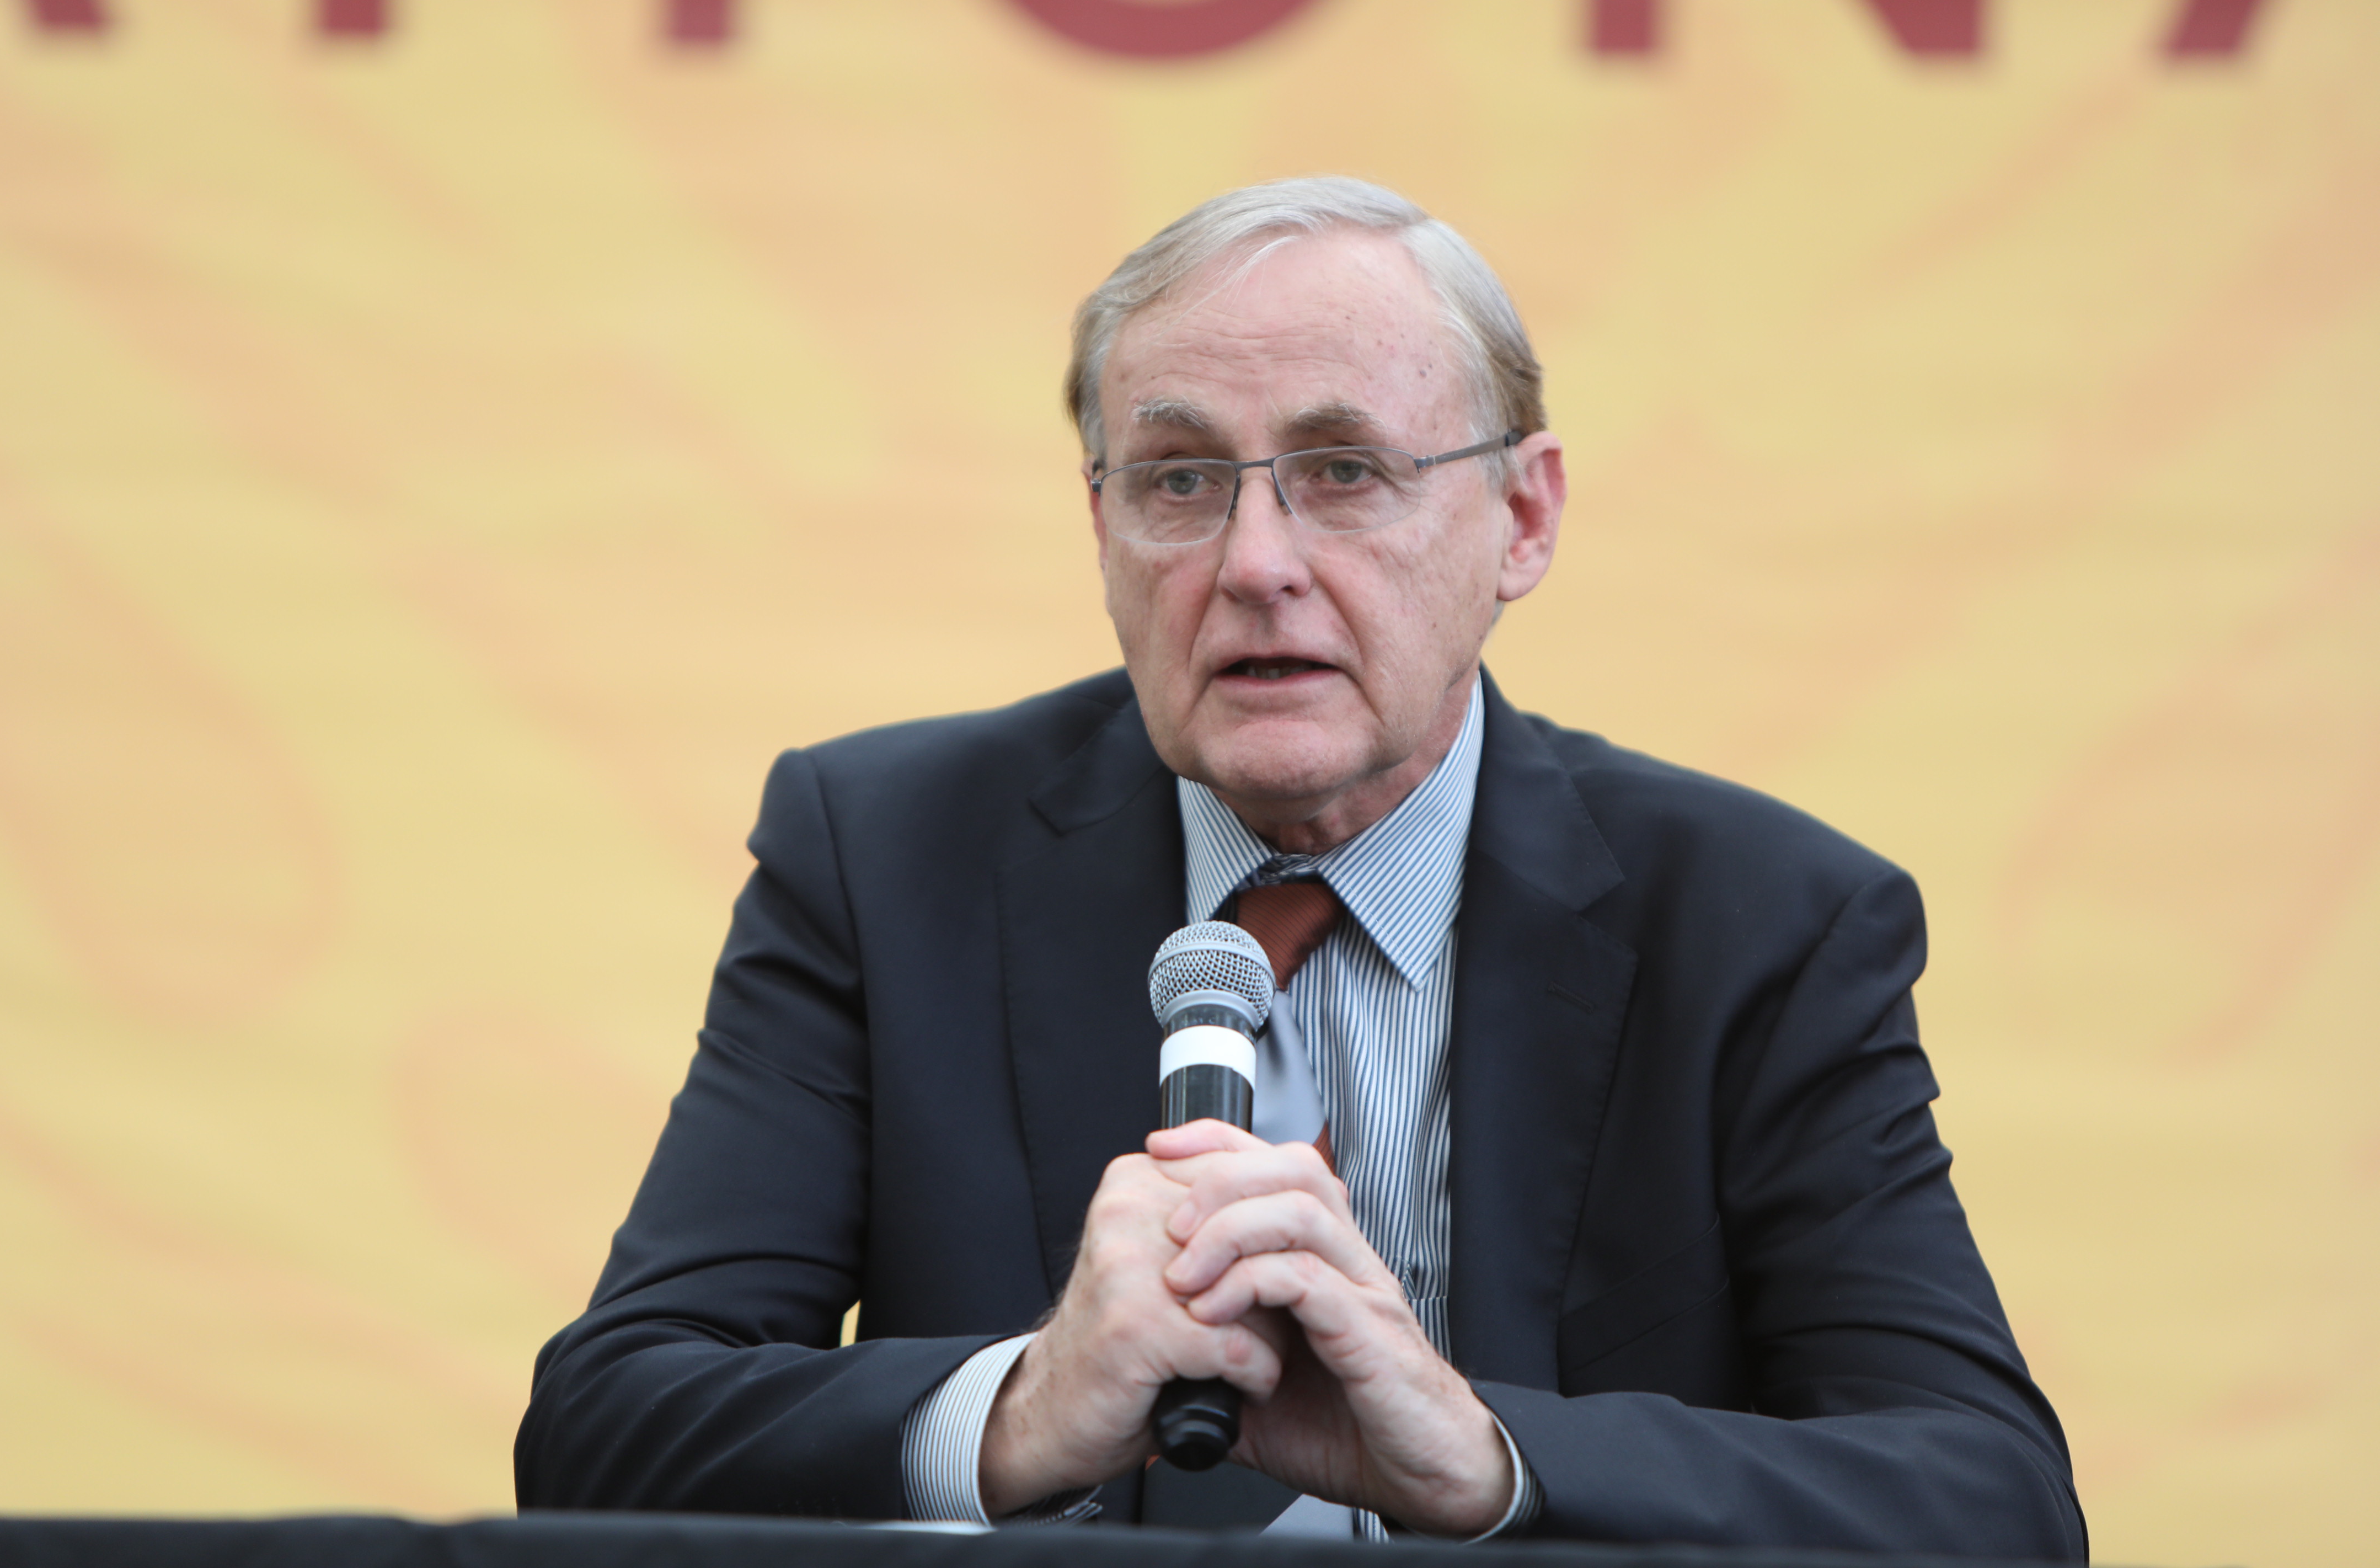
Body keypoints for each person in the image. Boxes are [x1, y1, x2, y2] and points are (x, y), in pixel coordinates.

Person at [514, 177, 2084, 1557]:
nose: (1256, 563)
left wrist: (1486, 1461)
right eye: (1180, 479)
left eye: (1344, 471)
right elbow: (608, 1432)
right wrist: (1023, 1412)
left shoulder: (1758, 923)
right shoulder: (884, 859)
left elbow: (1987, 1504)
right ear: (1103, 529)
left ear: (1521, 518)